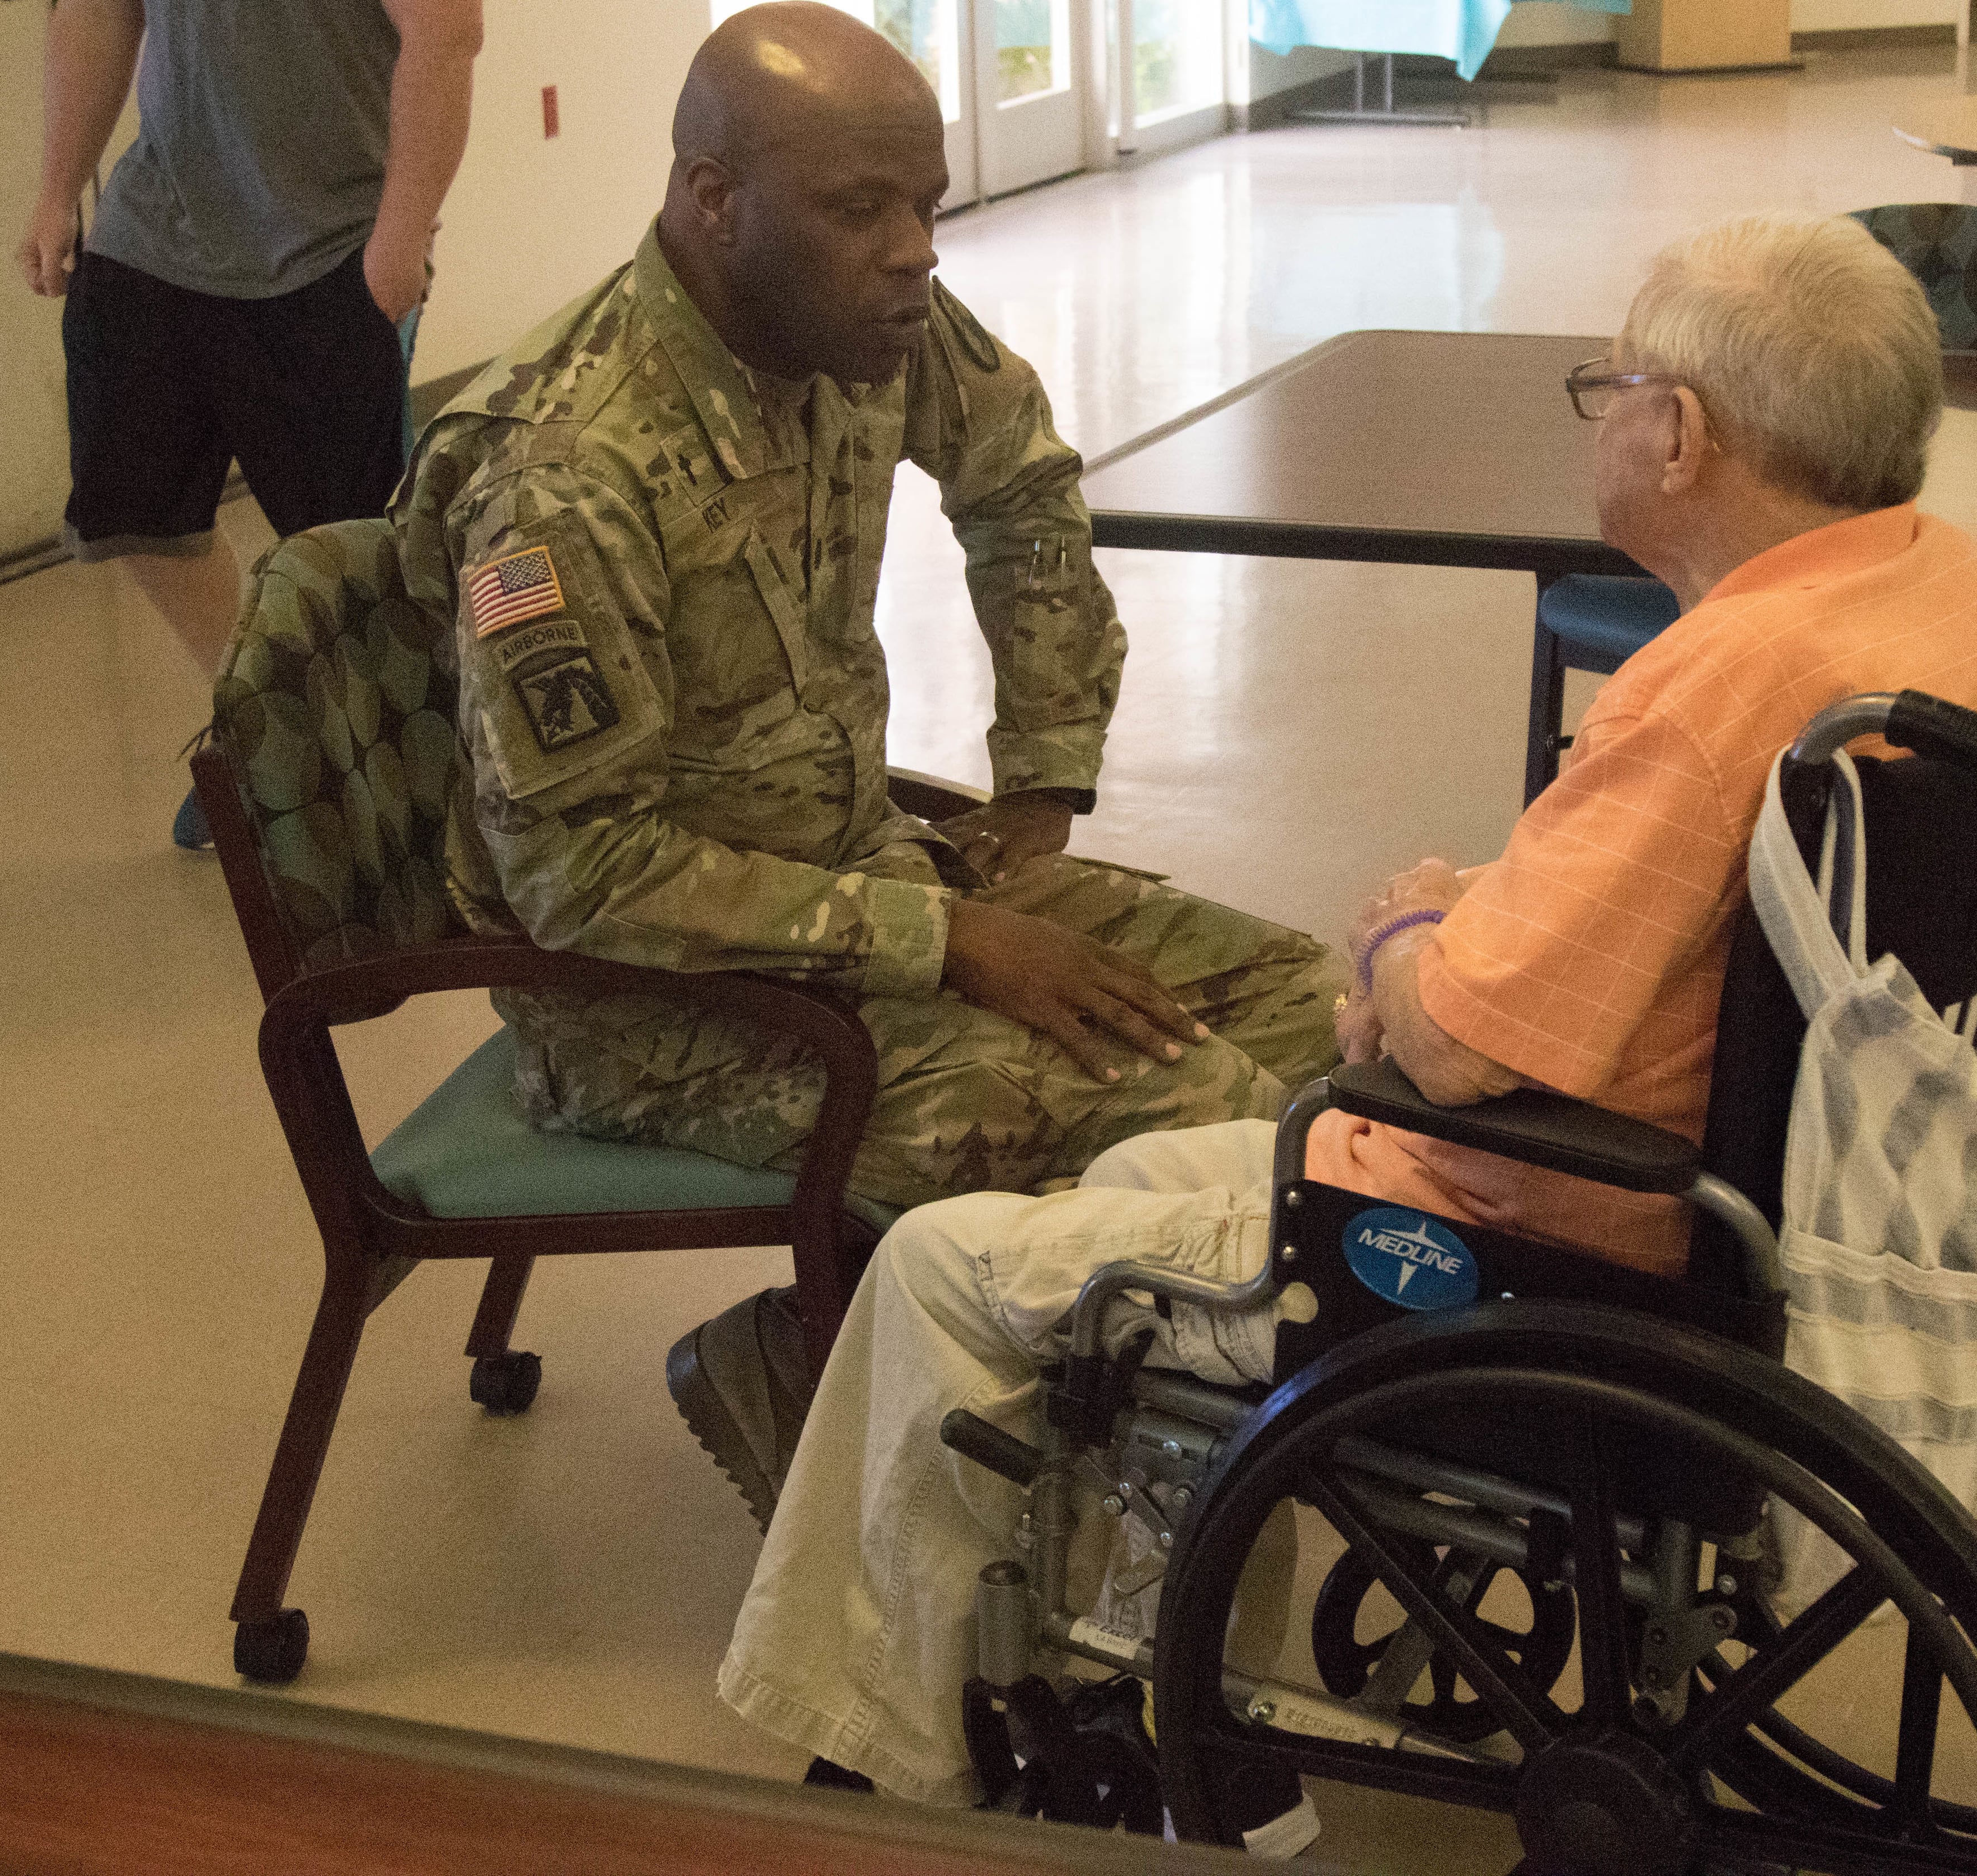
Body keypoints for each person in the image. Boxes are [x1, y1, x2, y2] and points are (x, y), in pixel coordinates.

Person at [711, 213, 1977, 1841]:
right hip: (1763, 1197)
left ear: (1681, 434)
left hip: (1538, 1239)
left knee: (937, 1266)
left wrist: (1404, 934)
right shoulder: (1949, 592)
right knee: (1135, 1172)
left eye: (1606, 386)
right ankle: (1163, 1687)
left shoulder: (1709, 695)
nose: (1602, 413)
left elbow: (1469, 1052)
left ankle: (884, 1767)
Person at [388, 3, 1340, 1523]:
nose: (915, 253)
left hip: (864, 884)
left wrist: (1041, 765)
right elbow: (577, 877)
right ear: (715, 204)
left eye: (930, 207)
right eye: (861, 209)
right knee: (1205, 1117)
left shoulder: (855, 316)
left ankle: (1139, 1394)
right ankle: (861, 1377)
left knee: (1322, 1011)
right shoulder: (570, 472)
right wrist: (948, 934)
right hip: (655, 1002)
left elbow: (1018, 478)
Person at [17, 0, 484, 848]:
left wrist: (403, 228)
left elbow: (446, 33)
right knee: (131, 507)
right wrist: (56, 189)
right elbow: (99, 10)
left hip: (331, 238)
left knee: (349, 547)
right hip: (159, 224)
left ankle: (411, 776)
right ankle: (270, 718)